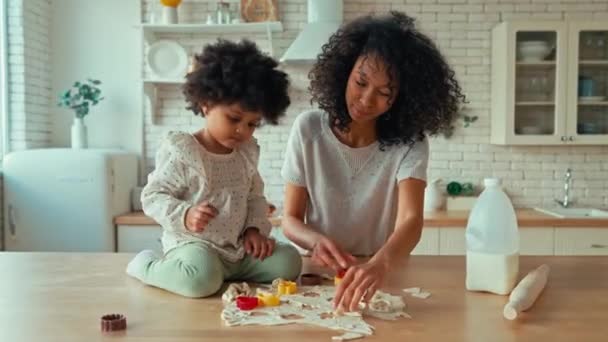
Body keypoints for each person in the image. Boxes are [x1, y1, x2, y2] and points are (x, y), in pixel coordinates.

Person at [281, 11, 465, 311]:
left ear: (402, 98)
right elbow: (290, 220)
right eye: (361, 82)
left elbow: (411, 220)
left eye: (384, 93)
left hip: (380, 271)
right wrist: (314, 240)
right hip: (317, 270)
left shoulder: (410, 143)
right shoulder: (309, 129)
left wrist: (380, 264)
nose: (367, 100)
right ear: (344, 72)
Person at [126, 39, 301, 298]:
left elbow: (254, 197)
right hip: (195, 246)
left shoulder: (246, 152)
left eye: (253, 123)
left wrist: (253, 230)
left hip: (237, 249)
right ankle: (147, 265)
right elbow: (152, 196)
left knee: (289, 261)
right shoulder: (185, 151)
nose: (243, 130)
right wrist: (185, 214)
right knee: (199, 279)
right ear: (206, 103)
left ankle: (224, 272)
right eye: (234, 119)